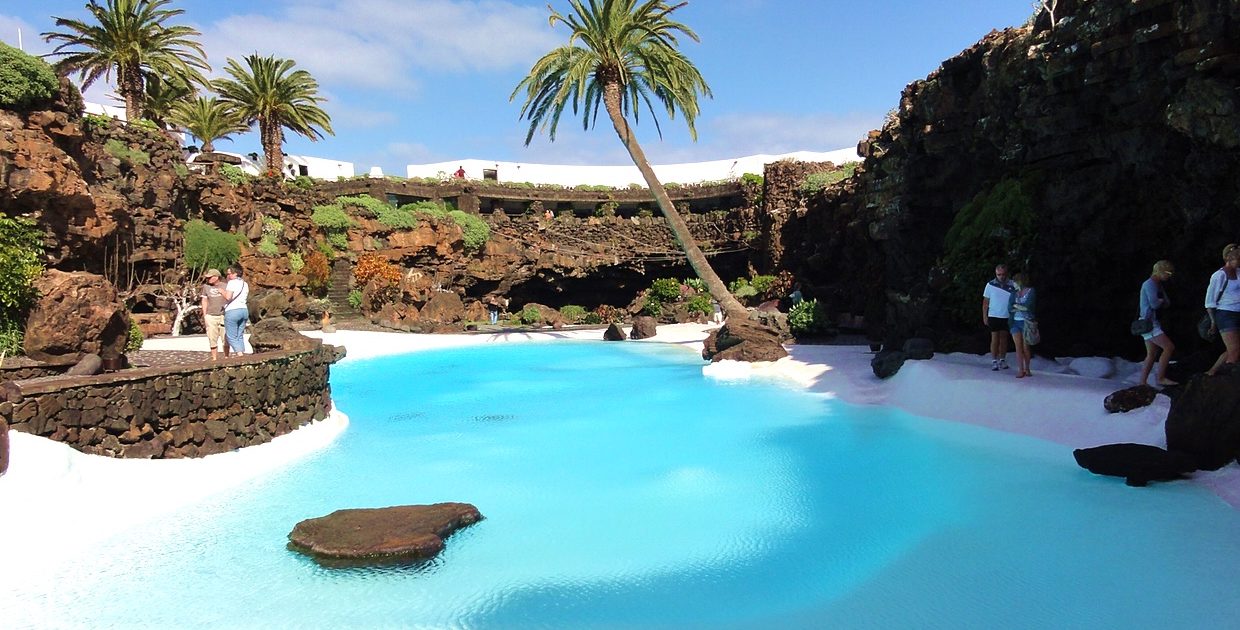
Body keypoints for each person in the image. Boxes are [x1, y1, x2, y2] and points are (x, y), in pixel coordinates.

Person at [1137, 260, 1177, 386]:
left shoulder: (1157, 285)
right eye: (1168, 273)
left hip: (1150, 322)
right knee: (1169, 347)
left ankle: (1142, 382)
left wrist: (1161, 300)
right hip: (1149, 323)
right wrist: (1160, 300)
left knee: (1151, 354)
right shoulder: (1150, 284)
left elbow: (1167, 302)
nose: (1169, 276)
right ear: (1160, 271)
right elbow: (1155, 303)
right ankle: (1160, 377)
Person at [1205, 244, 1240, 376]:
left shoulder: (1238, 272)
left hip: (1237, 312)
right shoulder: (1218, 275)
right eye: (1238, 259)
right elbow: (1209, 302)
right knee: (1234, 350)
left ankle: (1212, 372)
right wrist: (1213, 322)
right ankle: (1228, 377)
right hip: (1226, 314)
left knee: (1234, 348)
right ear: (1229, 259)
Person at [982, 263, 1016, 370]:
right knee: (994, 338)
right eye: (999, 274)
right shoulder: (990, 285)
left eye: (1003, 274)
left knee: (1004, 338)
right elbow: (985, 302)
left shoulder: (1013, 285)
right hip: (994, 315)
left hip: (1006, 315)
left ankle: (1002, 359)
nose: (1001, 277)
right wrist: (985, 316)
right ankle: (994, 360)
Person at [1009, 272, 1037, 378]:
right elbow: (1010, 307)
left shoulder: (1031, 291)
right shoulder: (1013, 293)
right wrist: (1019, 306)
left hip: (1026, 322)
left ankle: (1027, 368)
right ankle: (1020, 370)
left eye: (1015, 282)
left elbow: (1028, 306)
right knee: (1018, 347)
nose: (1013, 284)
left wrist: (1017, 306)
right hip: (1015, 322)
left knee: (1026, 347)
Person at [199, 268, 229, 361]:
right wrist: (205, 315)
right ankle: (214, 358)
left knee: (225, 338)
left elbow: (229, 298)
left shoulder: (226, 286)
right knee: (212, 337)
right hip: (211, 315)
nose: (208, 279)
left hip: (223, 315)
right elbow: (204, 300)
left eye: (210, 277)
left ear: (216, 277)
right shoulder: (206, 287)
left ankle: (227, 357)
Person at [222, 266, 250, 355]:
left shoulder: (232, 283)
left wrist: (222, 291)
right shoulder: (245, 284)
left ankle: (239, 354)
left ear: (235, 273)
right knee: (239, 335)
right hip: (244, 310)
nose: (228, 276)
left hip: (233, 311)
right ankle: (241, 353)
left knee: (231, 336)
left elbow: (228, 297)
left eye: (229, 273)